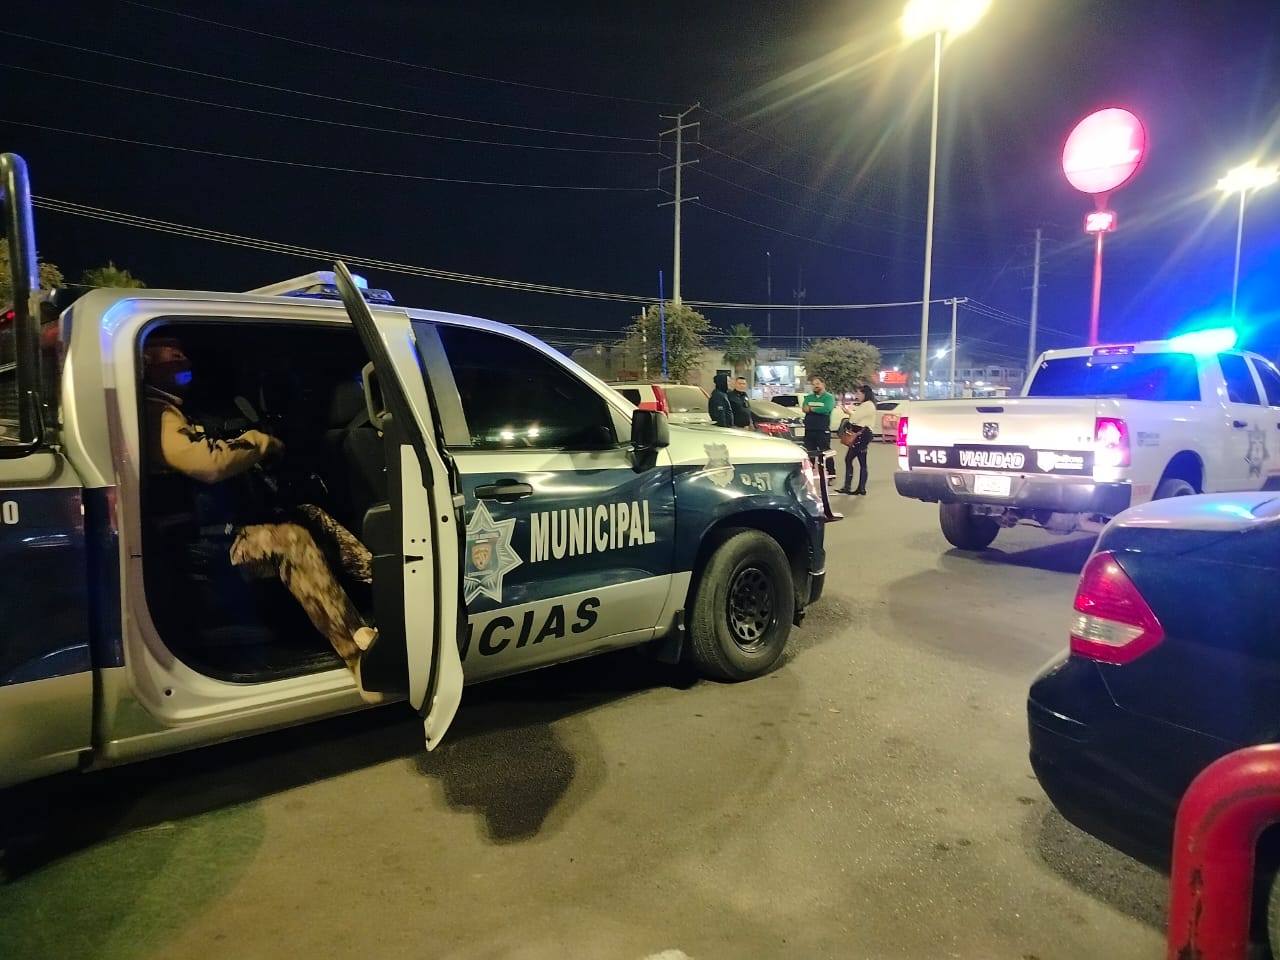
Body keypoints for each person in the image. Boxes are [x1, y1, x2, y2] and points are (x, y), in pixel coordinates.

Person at [142, 336, 382, 701]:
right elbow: (206, 464)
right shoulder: (155, 412)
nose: (181, 356)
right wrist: (260, 443)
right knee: (291, 540)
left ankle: (388, 593)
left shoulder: (173, 409)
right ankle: (359, 656)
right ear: (145, 360)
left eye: (182, 349)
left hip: (210, 535)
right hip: (191, 548)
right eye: (168, 349)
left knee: (308, 515)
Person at [837, 384, 879, 495]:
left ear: (865, 394)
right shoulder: (869, 404)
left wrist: (848, 413)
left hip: (861, 435)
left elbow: (854, 419)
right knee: (860, 461)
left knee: (851, 460)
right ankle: (859, 488)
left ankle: (852, 487)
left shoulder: (867, 405)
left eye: (858, 393)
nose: (857, 396)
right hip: (863, 434)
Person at [801, 377, 836, 476]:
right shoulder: (809, 397)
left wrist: (811, 409)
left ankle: (831, 474)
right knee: (809, 453)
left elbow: (826, 409)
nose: (815, 386)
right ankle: (809, 475)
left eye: (817, 384)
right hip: (809, 430)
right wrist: (817, 409)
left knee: (825, 452)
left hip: (822, 430)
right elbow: (804, 408)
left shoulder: (828, 397)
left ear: (823, 384)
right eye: (813, 384)